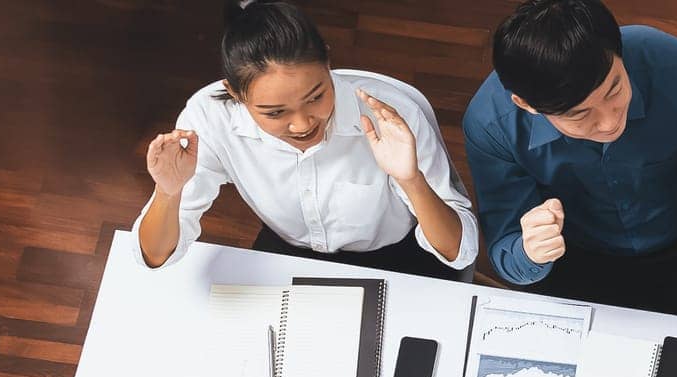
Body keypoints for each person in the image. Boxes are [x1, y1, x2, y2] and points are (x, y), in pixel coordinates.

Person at [463, 0, 677, 327]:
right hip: (578, 252)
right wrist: (530, 252)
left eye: (614, 89)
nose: (609, 122)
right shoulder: (492, 125)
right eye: (580, 114)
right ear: (526, 105)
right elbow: (506, 250)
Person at [134, 0, 477, 280]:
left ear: (328, 62)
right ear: (235, 94)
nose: (301, 125)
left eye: (316, 97)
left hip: (396, 255)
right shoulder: (208, 118)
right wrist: (168, 192)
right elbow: (155, 256)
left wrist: (411, 180)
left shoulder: (389, 114)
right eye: (275, 112)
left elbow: (460, 250)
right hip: (291, 252)